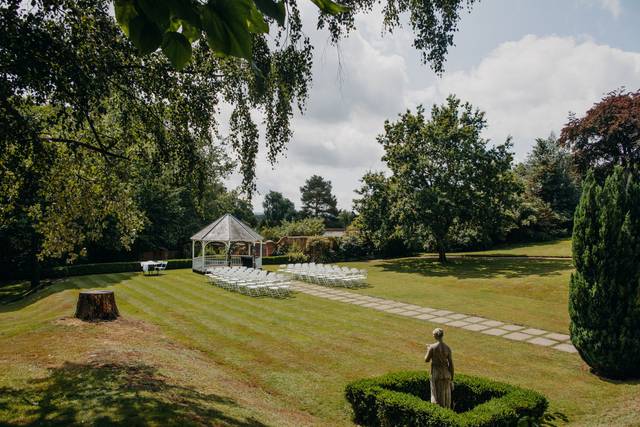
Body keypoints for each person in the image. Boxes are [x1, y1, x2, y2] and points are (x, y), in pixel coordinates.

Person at [424, 327, 454, 408]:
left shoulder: (432, 347)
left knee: (435, 395)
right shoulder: (447, 348)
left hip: (436, 374)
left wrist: (428, 349)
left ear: (435, 336)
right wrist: (452, 378)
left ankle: (437, 412)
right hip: (446, 374)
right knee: (446, 396)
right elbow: (451, 364)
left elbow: (426, 359)